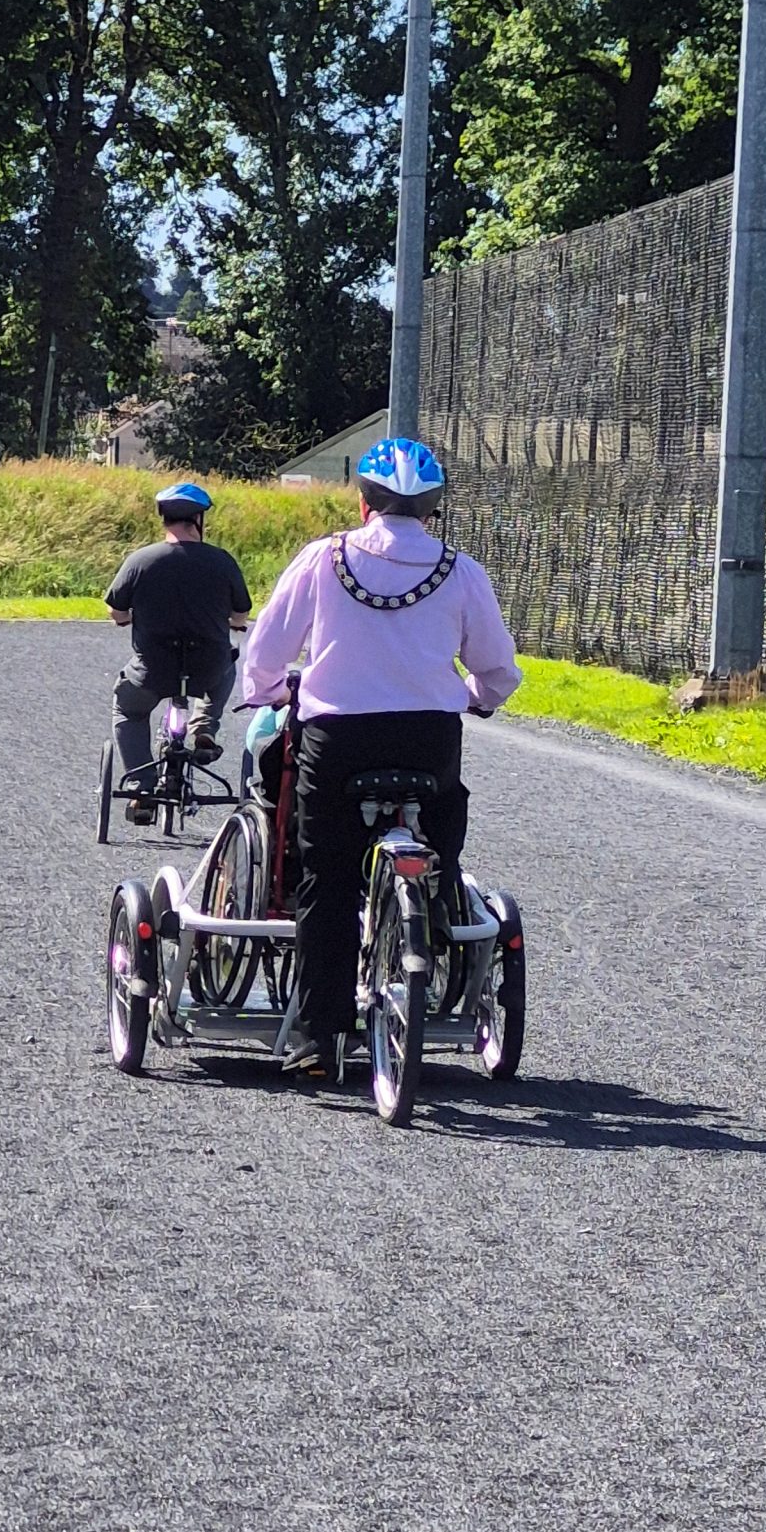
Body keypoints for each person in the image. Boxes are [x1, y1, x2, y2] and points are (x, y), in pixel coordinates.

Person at [238, 436, 521, 1076]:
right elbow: (497, 670)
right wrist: (477, 697)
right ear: (432, 509)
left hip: (337, 741)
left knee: (327, 877)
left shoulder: (323, 559)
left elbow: (267, 651)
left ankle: (318, 1034)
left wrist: (272, 692)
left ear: (363, 503)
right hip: (427, 738)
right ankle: (437, 922)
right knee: (443, 830)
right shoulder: (461, 571)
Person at [106, 481, 252, 820]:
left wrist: (127, 618)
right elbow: (240, 614)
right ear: (198, 519)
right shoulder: (222, 562)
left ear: (164, 519)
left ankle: (141, 788)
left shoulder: (141, 560)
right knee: (228, 663)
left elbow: (117, 611)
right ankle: (203, 728)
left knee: (128, 710)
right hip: (206, 668)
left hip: (152, 671)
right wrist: (231, 622)